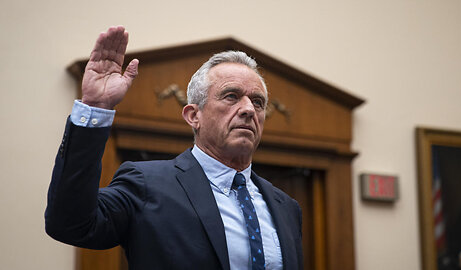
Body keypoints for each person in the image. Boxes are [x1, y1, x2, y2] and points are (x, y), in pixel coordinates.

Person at [45, 26, 303, 270]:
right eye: (231, 96)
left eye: (257, 102)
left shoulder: (286, 207)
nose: (248, 109)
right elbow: (70, 224)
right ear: (193, 116)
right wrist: (96, 107)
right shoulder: (147, 184)